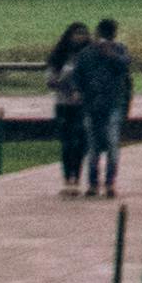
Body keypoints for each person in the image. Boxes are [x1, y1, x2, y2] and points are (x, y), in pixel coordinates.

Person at [74, 19, 131, 201]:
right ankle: (92, 183)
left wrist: (111, 55)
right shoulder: (87, 53)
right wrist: (78, 91)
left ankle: (109, 183)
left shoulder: (119, 50)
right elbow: (78, 75)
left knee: (112, 145)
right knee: (93, 147)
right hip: (92, 105)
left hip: (112, 104)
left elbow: (125, 65)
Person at [46, 21, 89, 186]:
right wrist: (62, 78)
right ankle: (67, 177)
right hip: (63, 103)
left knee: (81, 141)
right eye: (76, 33)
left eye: (83, 33)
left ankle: (77, 176)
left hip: (82, 104)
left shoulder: (88, 54)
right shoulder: (59, 55)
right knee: (67, 142)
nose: (79, 37)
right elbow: (50, 81)